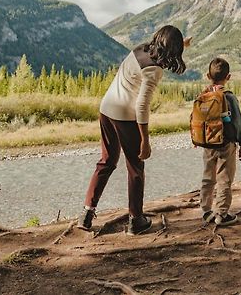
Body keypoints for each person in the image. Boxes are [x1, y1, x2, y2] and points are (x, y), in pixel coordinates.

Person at [77, 25, 189, 234]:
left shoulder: (141, 49)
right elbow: (142, 106)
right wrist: (145, 141)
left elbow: (163, 48)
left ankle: (86, 214)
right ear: (174, 50)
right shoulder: (154, 70)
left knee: (107, 162)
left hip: (106, 109)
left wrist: (184, 43)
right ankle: (135, 220)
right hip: (125, 116)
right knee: (136, 168)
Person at [199, 58, 241, 226]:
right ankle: (221, 214)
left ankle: (206, 210)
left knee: (208, 177)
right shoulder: (229, 97)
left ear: (207, 76)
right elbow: (238, 123)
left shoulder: (203, 95)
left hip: (207, 144)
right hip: (226, 144)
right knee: (224, 179)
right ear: (229, 76)